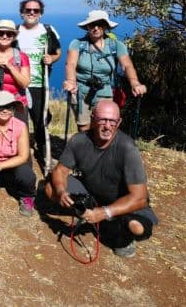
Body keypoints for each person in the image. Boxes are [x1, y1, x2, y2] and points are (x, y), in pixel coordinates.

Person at [45, 100, 158, 258]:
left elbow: (140, 198)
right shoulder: (79, 140)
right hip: (92, 195)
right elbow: (60, 171)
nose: (107, 126)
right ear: (92, 119)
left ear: (118, 122)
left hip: (121, 203)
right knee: (51, 188)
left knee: (137, 227)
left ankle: (120, 235)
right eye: (102, 120)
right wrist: (61, 190)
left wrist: (105, 212)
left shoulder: (127, 148)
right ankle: (90, 216)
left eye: (112, 121)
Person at [63, 10, 147, 131]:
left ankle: (101, 149)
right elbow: (70, 64)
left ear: (106, 26)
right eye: (92, 24)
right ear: (87, 26)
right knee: (84, 127)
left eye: (100, 24)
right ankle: (86, 149)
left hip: (105, 91)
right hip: (81, 91)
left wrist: (135, 83)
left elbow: (127, 65)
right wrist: (71, 81)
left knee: (104, 126)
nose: (96, 28)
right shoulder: (77, 44)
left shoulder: (116, 45)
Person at [15, 0, 61, 160]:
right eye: (28, 10)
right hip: (18, 84)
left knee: (40, 119)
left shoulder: (47, 31)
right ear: (22, 13)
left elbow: (57, 53)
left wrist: (51, 59)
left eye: (36, 10)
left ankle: (42, 149)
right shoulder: (14, 31)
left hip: (40, 84)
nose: (32, 13)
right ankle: (21, 152)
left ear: (40, 13)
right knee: (20, 119)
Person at [0, 91, 36, 217]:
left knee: (27, 176)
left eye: (8, 107)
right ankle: (0, 183)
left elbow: (23, 156)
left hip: (12, 166)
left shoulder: (21, 126)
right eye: (1, 107)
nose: (4, 110)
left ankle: (27, 198)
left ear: (13, 109)